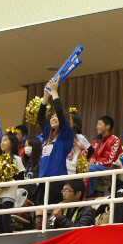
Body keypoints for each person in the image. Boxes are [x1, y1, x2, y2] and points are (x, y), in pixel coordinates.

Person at [36, 78, 73, 206]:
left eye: (56, 117)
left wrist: (54, 91)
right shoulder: (48, 134)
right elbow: (41, 117)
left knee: (51, 211)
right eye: (52, 117)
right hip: (43, 179)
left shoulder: (66, 135)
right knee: (39, 213)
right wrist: (46, 96)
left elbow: (60, 114)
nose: (53, 118)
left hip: (57, 179)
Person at [0, 133, 25, 234]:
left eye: (5, 140)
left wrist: (8, 174)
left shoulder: (16, 159)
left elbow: (21, 176)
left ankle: (9, 239)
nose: (2, 143)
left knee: (5, 220)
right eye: (2, 140)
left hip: (9, 193)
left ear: (12, 143)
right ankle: (1, 241)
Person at [87, 116, 122, 197]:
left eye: (99, 124)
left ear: (107, 126)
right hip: (98, 166)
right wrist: (92, 159)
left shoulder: (115, 140)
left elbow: (110, 159)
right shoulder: (97, 141)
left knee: (91, 169)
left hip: (110, 167)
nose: (97, 127)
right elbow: (92, 154)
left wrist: (95, 162)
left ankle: (90, 195)